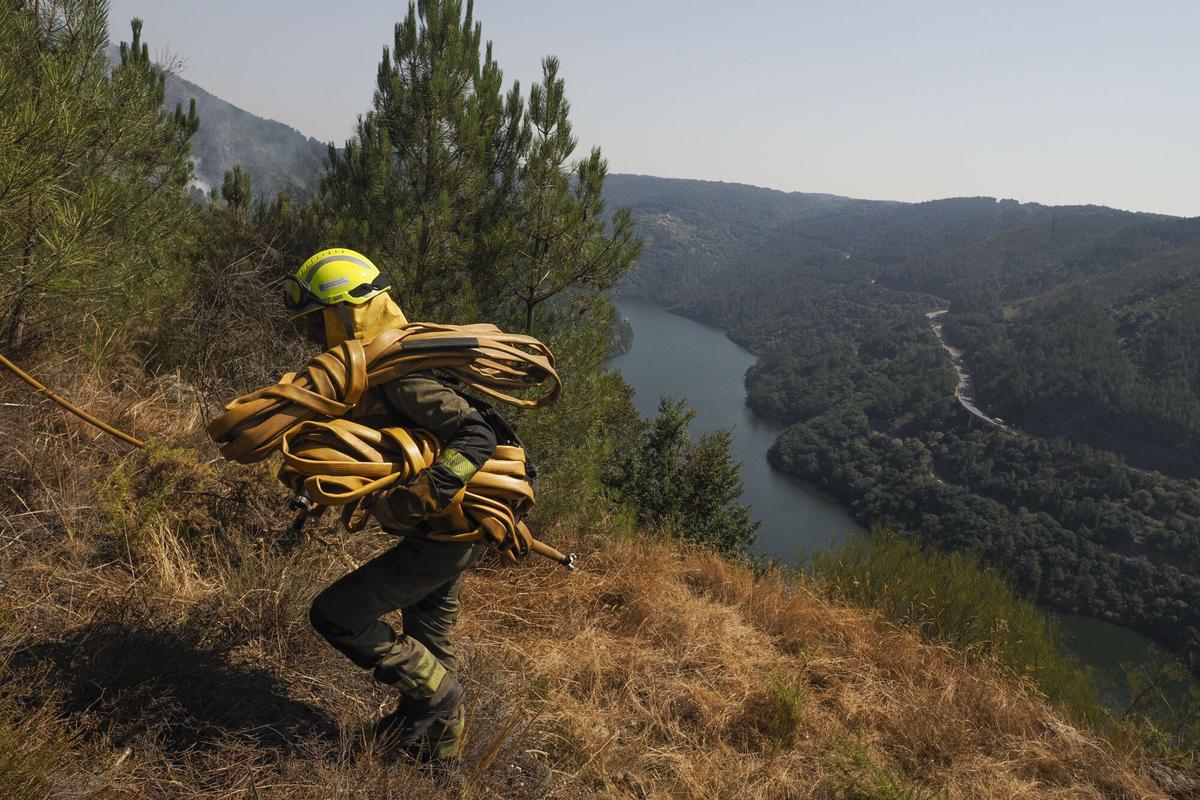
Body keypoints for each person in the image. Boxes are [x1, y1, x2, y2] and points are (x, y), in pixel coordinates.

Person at [283, 247, 497, 761]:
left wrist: (423, 495)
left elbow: (476, 435)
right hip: (448, 532)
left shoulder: (399, 371)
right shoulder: (375, 363)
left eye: (317, 322)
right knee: (429, 642)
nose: (312, 335)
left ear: (345, 313)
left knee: (336, 614)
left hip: (445, 536)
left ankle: (438, 698)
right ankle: (440, 768)